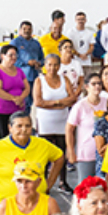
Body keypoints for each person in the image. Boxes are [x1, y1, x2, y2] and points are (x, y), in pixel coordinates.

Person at [0, 113, 65, 202]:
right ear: (10, 128)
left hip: (38, 203)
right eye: (19, 126)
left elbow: (59, 157)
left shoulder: (42, 144)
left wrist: (49, 183)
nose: (24, 129)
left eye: (28, 126)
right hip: (9, 207)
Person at [33, 53, 77, 190]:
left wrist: (51, 103)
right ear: (45, 66)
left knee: (61, 152)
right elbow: (38, 102)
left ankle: (63, 182)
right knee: (45, 154)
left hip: (62, 121)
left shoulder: (65, 79)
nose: (52, 68)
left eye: (55, 65)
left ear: (59, 66)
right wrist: (59, 102)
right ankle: (44, 183)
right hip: (45, 122)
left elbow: (73, 98)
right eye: (49, 64)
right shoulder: (39, 81)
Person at [67, 74, 108, 180]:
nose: (97, 86)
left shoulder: (106, 102)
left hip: (105, 151)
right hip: (86, 152)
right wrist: (71, 151)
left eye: (99, 83)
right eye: (93, 84)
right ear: (86, 87)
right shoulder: (80, 106)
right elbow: (69, 129)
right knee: (85, 186)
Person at [0, 46, 31, 136]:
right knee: (3, 135)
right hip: (3, 109)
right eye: (10, 55)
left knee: (20, 135)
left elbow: (27, 87)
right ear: (2, 56)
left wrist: (21, 98)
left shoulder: (19, 71)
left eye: (15, 55)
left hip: (19, 108)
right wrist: (14, 99)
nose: (14, 57)